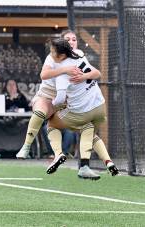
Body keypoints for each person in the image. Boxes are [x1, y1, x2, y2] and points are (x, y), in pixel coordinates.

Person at [42, 38, 119, 177]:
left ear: (62, 55)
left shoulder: (62, 73)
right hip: (100, 106)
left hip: (83, 111)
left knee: (51, 124)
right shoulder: (79, 56)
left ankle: (58, 154)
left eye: (53, 52)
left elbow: (59, 98)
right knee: (89, 132)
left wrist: (52, 106)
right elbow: (97, 73)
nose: (51, 55)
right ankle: (106, 162)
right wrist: (85, 76)